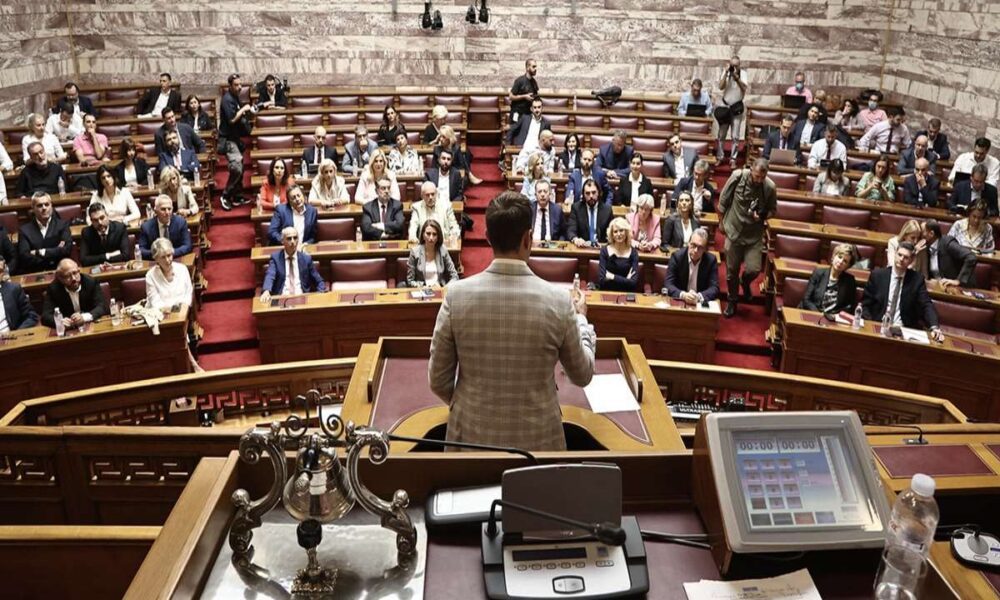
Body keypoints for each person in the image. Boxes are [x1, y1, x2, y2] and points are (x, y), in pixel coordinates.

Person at [428, 190, 595, 451]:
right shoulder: (559, 301)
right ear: (528, 238)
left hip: (470, 441)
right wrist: (582, 321)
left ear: (488, 238)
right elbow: (582, 374)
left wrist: (473, 405)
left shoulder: (456, 296)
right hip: (538, 446)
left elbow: (438, 379)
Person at [718, 158, 777, 318]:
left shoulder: (769, 187)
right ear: (751, 170)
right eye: (756, 176)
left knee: (754, 270)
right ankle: (732, 300)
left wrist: (763, 215)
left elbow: (773, 210)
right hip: (734, 231)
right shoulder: (738, 176)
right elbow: (723, 200)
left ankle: (745, 281)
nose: (758, 180)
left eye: (762, 177)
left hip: (753, 236)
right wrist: (721, 222)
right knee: (731, 272)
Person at [862, 242, 943, 341]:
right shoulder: (878, 275)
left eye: (906, 257)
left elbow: (926, 304)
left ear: (911, 260)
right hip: (878, 325)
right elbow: (865, 304)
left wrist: (934, 326)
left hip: (904, 330)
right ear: (895, 254)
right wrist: (870, 325)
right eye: (899, 255)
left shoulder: (916, 280)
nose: (901, 259)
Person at [145, 236, 202, 371]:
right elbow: (155, 303)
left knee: (178, 329)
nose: (168, 260)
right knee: (176, 331)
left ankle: (190, 366)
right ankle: (191, 365)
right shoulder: (150, 276)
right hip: (161, 317)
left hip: (182, 313)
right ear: (156, 259)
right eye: (163, 257)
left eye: (169, 255)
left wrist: (180, 309)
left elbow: (188, 295)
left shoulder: (182, 269)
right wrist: (173, 308)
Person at [259, 226, 326, 304]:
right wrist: (266, 291)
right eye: (289, 238)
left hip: (302, 299)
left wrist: (320, 293)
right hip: (281, 299)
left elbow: (319, 281)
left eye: (295, 238)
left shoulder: (306, 258)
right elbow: (270, 275)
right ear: (282, 241)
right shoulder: (276, 258)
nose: (293, 241)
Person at [218, 74, 254, 210]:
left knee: (240, 166)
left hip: (235, 138)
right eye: (236, 85)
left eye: (240, 84)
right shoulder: (227, 99)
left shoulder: (235, 97)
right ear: (230, 86)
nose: (239, 87)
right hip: (227, 139)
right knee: (237, 167)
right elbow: (232, 119)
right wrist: (243, 109)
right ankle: (226, 195)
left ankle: (237, 195)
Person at [41, 258, 107, 329]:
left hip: (91, 326)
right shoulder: (53, 289)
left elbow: (102, 306)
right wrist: (60, 321)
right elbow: (45, 316)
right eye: (67, 276)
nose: (73, 279)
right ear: (60, 278)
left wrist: (84, 317)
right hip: (69, 330)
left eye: (75, 273)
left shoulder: (91, 282)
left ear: (79, 270)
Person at [17, 193, 72, 273]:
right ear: (33, 208)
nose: (44, 208)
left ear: (51, 206)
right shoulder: (24, 230)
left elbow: (66, 250)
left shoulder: (63, 225)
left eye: (47, 204)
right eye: (39, 205)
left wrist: (39, 252)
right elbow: (25, 257)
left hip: (60, 271)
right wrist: (55, 252)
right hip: (36, 272)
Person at [662, 228, 719, 304]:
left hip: (699, 303)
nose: (696, 250)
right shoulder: (677, 257)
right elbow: (668, 284)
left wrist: (698, 297)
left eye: (700, 247)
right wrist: (683, 295)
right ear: (688, 243)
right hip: (680, 302)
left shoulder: (711, 260)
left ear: (705, 249)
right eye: (693, 245)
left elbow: (714, 288)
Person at [800, 243, 858, 315]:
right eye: (839, 257)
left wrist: (835, 316)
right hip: (813, 313)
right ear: (833, 257)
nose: (840, 262)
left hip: (832, 318)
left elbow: (849, 306)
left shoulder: (849, 281)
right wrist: (818, 314)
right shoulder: (818, 273)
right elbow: (806, 299)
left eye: (845, 261)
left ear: (847, 266)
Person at [922, 219, 977, 288]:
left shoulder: (948, 244)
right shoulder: (925, 248)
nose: (920, 234)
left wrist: (958, 281)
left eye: (923, 231)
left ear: (931, 234)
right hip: (939, 288)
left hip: (959, 288)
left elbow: (971, 257)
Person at [406, 219, 459, 288]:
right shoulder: (415, 252)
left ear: (438, 237)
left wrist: (444, 288)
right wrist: (423, 287)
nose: (431, 237)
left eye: (434, 234)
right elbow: (410, 281)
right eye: (428, 234)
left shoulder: (443, 251)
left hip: (440, 290)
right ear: (423, 235)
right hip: (421, 291)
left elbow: (454, 276)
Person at [716, 56, 748, 167]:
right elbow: (721, 87)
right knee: (721, 134)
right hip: (725, 107)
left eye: (736, 65)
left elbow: (744, 88)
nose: (734, 67)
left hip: (736, 108)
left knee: (735, 136)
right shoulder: (726, 72)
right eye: (732, 65)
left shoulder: (743, 74)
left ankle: (733, 159)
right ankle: (720, 156)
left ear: (739, 65)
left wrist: (737, 78)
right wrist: (726, 73)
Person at [138, 195, 192, 259]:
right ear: (155, 210)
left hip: (176, 259)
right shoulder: (146, 227)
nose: (167, 213)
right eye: (163, 209)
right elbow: (141, 250)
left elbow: (187, 246)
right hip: (156, 261)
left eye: (169, 209)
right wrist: (158, 254)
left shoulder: (180, 223)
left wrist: (169, 253)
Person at [596, 217, 639, 292]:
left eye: (621, 230)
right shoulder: (604, 251)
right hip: (607, 292)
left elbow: (633, 283)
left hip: (626, 293)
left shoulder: (633, 253)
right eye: (615, 232)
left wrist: (612, 276)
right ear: (612, 235)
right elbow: (601, 280)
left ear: (626, 232)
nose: (618, 234)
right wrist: (626, 280)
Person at [568, 179, 613, 246]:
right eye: (587, 193)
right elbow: (571, 230)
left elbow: (611, 233)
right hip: (582, 247)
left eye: (593, 192)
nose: (591, 196)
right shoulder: (576, 208)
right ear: (583, 195)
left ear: (598, 192)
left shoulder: (607, 210)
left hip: (601, 248)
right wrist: (576, 239)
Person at [0, 257, 37, 331]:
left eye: (0, 271)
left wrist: (17, 333)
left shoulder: (13, 289)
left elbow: (31, 316)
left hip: (10, 335)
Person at [508, 59, 539, 124]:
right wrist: (524, 96)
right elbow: (511, 96)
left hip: (528, 115)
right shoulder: (519, 81)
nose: (536, 69)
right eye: (533, 67)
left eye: (536, 67)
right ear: (527, 68)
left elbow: (536, 97)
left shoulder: (534, 82)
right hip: (517, 114)